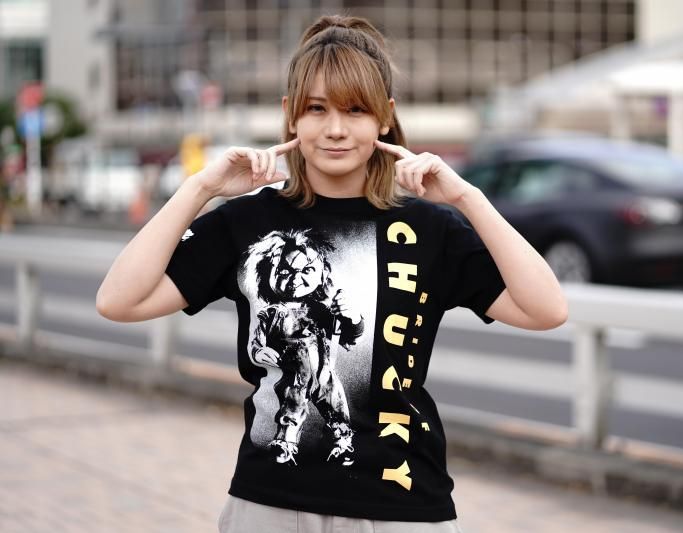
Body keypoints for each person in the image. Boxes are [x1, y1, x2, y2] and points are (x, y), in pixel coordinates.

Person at [96, 14, 567, 533]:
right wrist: (200, 188)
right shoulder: (248, 222)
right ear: (290, 116)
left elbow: (546, 310)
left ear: (385, 117)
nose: (336, 129)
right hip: (270, 505)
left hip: (404, 506)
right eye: (317, 108)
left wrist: (467, 198)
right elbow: (119, 301)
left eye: (356, 109)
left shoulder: (430, 228)